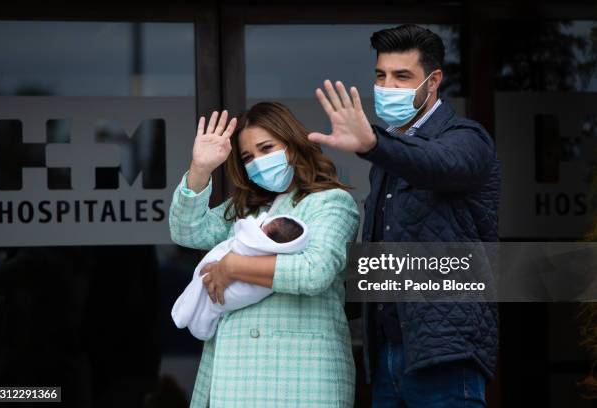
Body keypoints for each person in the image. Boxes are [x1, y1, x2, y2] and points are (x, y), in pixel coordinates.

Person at [308, 24, 501, 407]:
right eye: (381, 75)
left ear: (433, 82)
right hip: (387, 357)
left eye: (402, 76)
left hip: (446, 356)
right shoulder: (387, 158)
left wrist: (375, 143)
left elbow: (436, 164)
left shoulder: (467, 139)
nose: (388, 86)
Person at [168, 101, 359, 407]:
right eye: (248, 157)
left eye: (266, 148)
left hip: (300, 378)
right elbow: (187, 231)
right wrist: (200, 169)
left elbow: (314, 272)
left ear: (293, 145)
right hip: (237, 377)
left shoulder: (330, 202)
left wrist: (233, 267)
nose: (258, 161)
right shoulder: (249, 210)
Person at [171, 213, 309, 341]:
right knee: (208, 291)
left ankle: (197, 314)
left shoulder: (322, 205)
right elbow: (187, 232)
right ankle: (196, 312)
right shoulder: (243, 205)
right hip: (231, 339)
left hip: (252, 326)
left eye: (263, 228)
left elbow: (312, 274)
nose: (260, 227)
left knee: (216, 301)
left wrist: (232, 265)